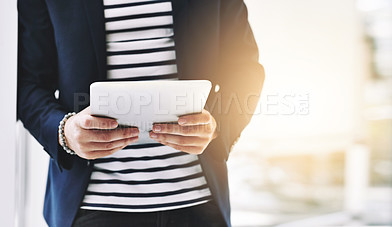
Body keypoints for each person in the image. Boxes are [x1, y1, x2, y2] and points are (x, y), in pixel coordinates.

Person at [17, 0, 264, 226]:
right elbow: (29, 84)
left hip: (198, 205)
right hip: (92, 209)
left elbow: (245, 69)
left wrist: (218, 123)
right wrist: (65, 131)